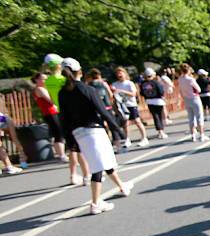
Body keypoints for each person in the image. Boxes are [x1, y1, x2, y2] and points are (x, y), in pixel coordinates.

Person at [58, 58, 133, 215]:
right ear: (80, 71)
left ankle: (121, 186)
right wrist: (117, 129)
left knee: (103, 161)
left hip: (77, 133)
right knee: (98, 167)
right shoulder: (87, 89)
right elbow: (103, 111)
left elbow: (64, 119)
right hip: (94, 131)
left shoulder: (63, 93)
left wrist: (70, 141)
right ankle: (95, 202)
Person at [44, 53, 90, 184]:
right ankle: (86, 174)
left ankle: (73, 174)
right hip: (71, 114)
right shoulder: (64, 80)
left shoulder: (48, 80)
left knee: (72, 147)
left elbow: (52, 99)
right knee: (79, 146)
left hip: (58, 113)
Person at [31, 72, 68, 162]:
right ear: (37, 80)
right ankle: (61, 155)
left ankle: (61, 154)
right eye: (43, 79)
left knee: (59, 133)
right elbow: (51, 100)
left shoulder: (44, 88)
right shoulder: (40, 89)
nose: (45, 80)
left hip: (52, 112)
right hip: (50, 113)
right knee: (58, 134)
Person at [87, 68, 125, 151]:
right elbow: (110, 94)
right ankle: (118, 145)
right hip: (107, 107)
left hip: (97, 108)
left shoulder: (89, 85)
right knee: (112, 125)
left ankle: (107, 145)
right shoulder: (103, 83)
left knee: (102, 127)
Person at [112, 67, 149, 148]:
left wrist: (122, 91)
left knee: (137, 121)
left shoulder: (129, 83)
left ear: (125, 74)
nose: (119, 75)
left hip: (131, 105)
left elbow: (133, 94)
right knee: (125, 123)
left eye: (121, 73)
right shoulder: (115, 84)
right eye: (118, 73)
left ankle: (144, 138)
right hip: (122, 106)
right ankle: (127, 139)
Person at [178, 63, 209, 142]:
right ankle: (202, 135)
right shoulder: (190, 79)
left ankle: (193, 135)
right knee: (199, 117)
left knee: (191, 118)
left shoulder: (180, 79)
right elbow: (199, 89)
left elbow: (180, 91)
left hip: (186, 99)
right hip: (194, 98)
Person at [140, 68, 168, 139]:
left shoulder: (143, 83)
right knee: (159, 116)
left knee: (155, 116)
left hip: (149, 101)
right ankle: (161, 131)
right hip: (158, 101)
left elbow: (142, 93)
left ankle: (159, 131)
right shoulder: (156, 82)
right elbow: (161, 91)